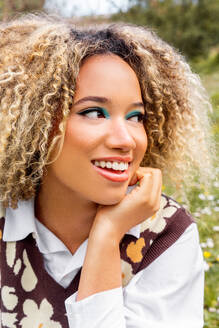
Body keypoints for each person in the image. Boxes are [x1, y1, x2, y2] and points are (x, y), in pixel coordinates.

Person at [0, 14, 215, 328]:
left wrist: (107, 236)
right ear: (36, 124)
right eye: (93, 112)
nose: (126, 139)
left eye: (136, 117)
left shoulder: (166, 235)